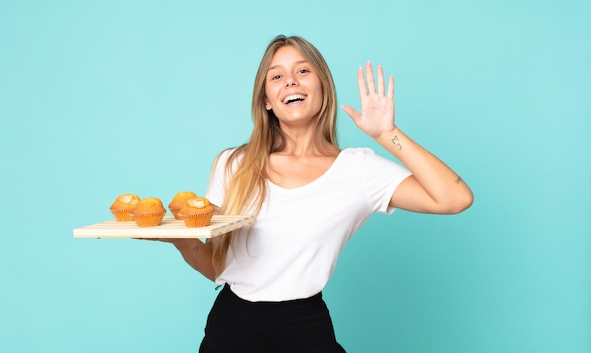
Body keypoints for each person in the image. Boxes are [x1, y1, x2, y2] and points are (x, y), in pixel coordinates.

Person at [155, 35, 473, 352]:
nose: (290, 81)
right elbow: (217, 267)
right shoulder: (233, 164)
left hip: (302, 327)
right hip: (231, 325)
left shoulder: (358, 170)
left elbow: (454, 198)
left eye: (303, 71)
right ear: (266, 99)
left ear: (322, 87)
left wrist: (387, 134)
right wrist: (179, 238)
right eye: (277, 76)